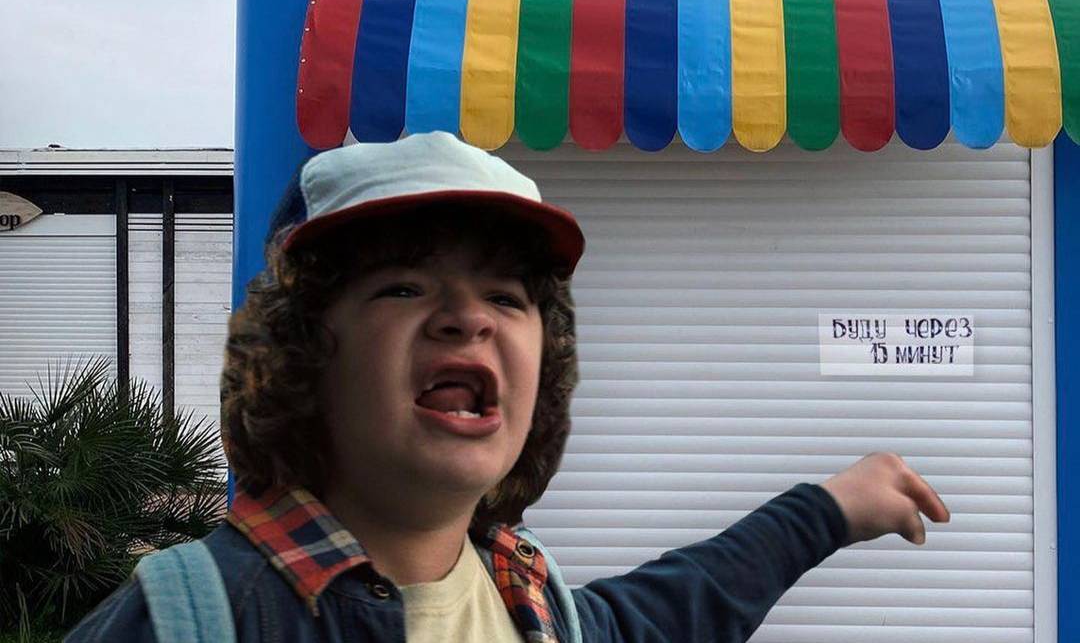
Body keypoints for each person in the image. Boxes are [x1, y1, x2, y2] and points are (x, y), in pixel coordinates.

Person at [66, 130, 950, 643]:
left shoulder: (538, 606)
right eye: (403, 286)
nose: (467, 317)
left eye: (506, 296)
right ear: (302, 353)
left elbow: (681, 603)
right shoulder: (186, 620)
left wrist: (831, 506)